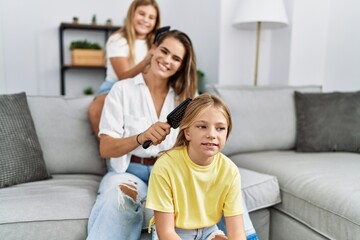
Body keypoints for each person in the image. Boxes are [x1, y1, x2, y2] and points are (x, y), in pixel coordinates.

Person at [86, 29, 198, 240]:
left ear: (182, 65)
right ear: (153, 49)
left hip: (167, 174)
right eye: (163, 51)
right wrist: (141, 137)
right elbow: (106, 147)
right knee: (117, 201)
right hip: (128, 171)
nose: (167, 60)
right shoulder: (122, 90)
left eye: (176, 58)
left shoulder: (185, 98)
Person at [146, 94, 250, 240]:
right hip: (175, 233)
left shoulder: (230, 171)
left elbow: (237, 232)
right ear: (187, 132)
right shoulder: (165, 166)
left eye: (220, 128)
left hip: (208, 230)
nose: (212, 135)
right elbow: (166, 232)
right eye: (202, 126)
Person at [87, 0, 161, 138]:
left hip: (144, 88)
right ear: (132, 14)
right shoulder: (117, 40)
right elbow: (123, 77)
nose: (146, 20)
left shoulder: (156, 44)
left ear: (156, 22)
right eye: (142, 14)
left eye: (151, 17)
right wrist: (146, 60)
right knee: (96, 109)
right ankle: (108, 154)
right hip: (114, 87)